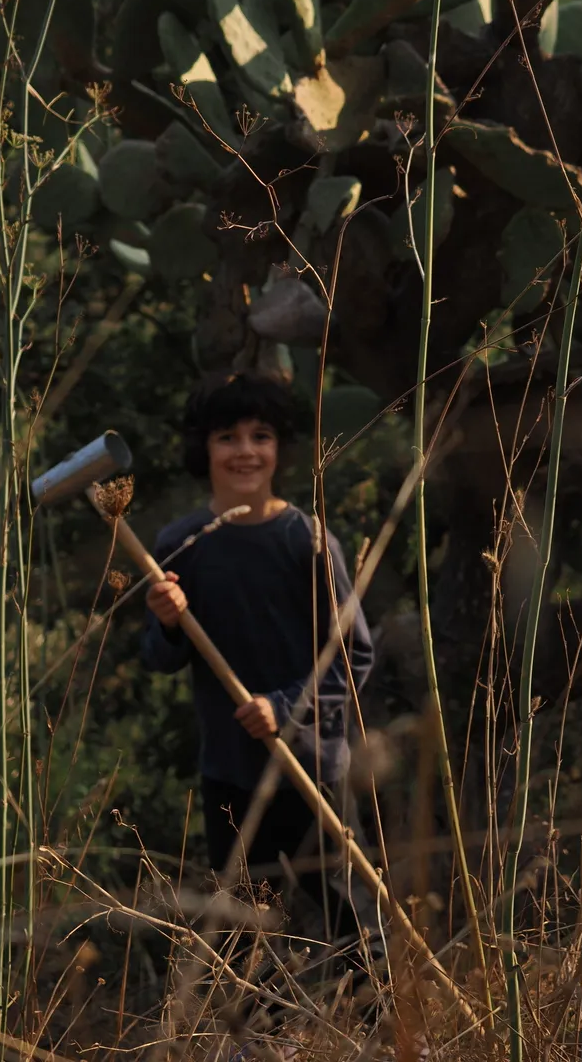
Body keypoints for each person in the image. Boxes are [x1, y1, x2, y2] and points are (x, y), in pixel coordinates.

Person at [141, 370, 375, 956]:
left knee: (352, 912)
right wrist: (168, 621)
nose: (245, 451)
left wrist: (282, 706)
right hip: (230, 767)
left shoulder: (309, 541)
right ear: (204, 448)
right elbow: (158, 657)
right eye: (227, 437)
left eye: (260, 435)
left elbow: (354, 657)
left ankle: (387, 1035)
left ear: (279, 448)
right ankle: (257, 1047)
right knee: (243, 925)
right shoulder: (182, 543)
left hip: (312, 764)